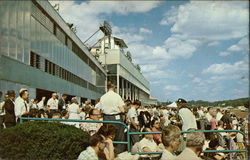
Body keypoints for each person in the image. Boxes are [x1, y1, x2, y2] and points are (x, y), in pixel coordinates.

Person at [99, 82, 125, 154]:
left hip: (106, 117)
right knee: (119, 136)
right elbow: (122, 109)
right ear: (114, 88)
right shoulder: (117, 96)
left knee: (107, 135)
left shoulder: (103, 97)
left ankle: (107, 151)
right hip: (116, 117)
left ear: (107, 87)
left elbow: (100, 110)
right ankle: (118, 152)